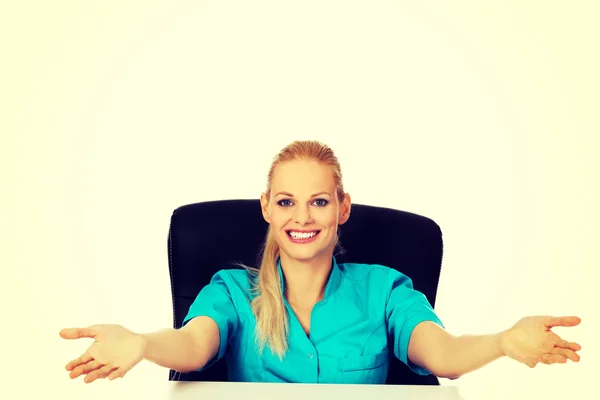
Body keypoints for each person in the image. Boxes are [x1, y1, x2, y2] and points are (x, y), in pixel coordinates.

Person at [60, 140, 582, 384]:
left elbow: (441, 353)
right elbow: (195, 345)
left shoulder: (385, 290)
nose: (302, 216)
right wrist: (142, 342)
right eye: (285, 201)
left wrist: (502, 343)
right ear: (266, 208)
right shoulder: (232, 291)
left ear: (342, 208)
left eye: (319, 200)